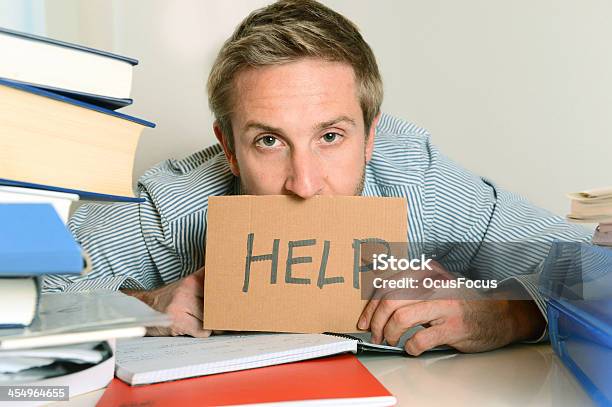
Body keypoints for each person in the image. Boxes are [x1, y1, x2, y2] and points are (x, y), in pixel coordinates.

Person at [43, 0, 588, 355]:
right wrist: (145, 304)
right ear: (228, 149)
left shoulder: (418, 184)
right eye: (269, 141)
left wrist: (503, 312)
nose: (304, 184)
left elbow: (593, 266)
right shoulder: (173, 206)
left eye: (331, 137)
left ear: (371, 136)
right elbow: (29, 291)